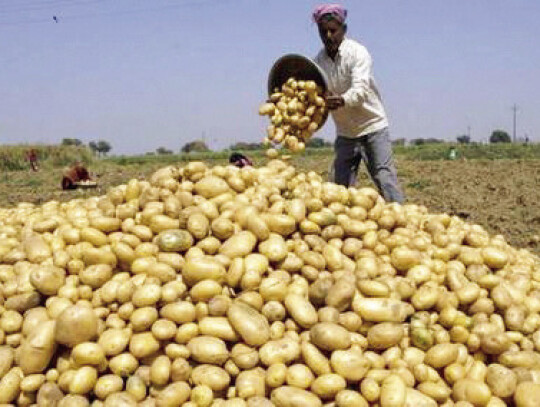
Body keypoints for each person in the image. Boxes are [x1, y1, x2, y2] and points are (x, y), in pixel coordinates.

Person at [312, 4, 404, 203]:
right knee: (338, 187)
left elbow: (360, 91)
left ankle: (404, 221)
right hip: (345, 133)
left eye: (333, 31)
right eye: (323, 32)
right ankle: (339, 229)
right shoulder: (318, 62)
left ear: (343, 30)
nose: (328, 36)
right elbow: (312, 92)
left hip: (372, 127)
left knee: (384, 178)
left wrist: (342, 99)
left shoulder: (357, 53)